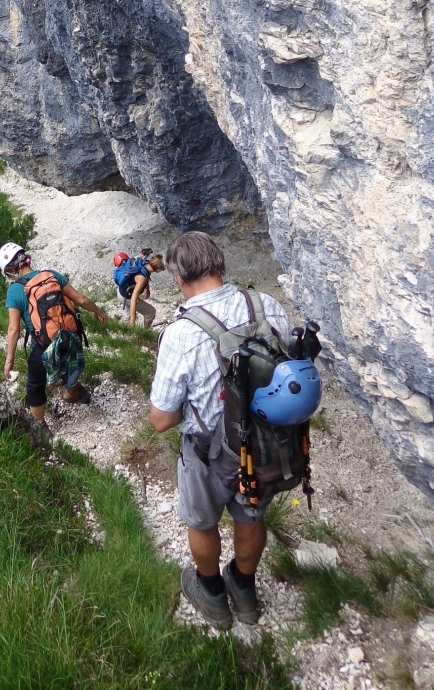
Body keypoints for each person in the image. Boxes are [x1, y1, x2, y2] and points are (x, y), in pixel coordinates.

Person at [148, 231, 290, 630]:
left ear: (178, 278)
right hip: (263, 446)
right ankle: (243, 590)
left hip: (208, 453)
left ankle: (211, 594)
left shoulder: (181, 333)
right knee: (250, 516)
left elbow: (161, 420)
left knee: (202, 522)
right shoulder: (268, 306)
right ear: (219, 263)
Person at [0, 242, 108, 425]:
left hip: (44, 345)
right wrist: (98, 312)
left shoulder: (14, 291)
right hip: (69, 335)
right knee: (68, 363)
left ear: (11, 269)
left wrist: (9, 360)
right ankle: (75, 391)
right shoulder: (51, 275)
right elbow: (80, 299)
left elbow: (14, 329)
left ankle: (41, 427)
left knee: (35, 387)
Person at [118, 252, 166, 329]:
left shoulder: (144, 263)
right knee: (151, 313)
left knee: (127, 317)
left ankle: (116, 327)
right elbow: (134, 298)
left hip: (121, 291)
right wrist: (132, 322)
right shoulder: (142, 278)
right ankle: (144, 333)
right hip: (127, 297)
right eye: (161, 269)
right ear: (158, 268)